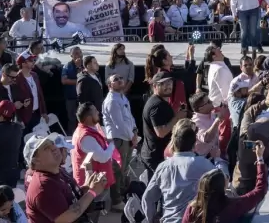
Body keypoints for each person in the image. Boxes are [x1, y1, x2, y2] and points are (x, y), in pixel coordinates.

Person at [142, 120, 226, 223]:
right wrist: (218, 159)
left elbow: (147, 199)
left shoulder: (163, 167)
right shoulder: (202, 164)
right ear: (194, 144)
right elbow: (224, 179)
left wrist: (151, 219)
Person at [24, 132, 108, 223]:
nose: (53, 148)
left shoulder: (59, 171)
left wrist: (89, 186)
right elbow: (65, 218)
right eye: (46, 148)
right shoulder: (43, 186)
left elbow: (72, 198)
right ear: (36, 161)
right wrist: (93, 192)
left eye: (52, 144)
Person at [183, 142, 268, 223]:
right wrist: (260, 158)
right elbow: (260, 190)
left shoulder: (192, 209)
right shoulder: (233, 205)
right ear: (223, 187)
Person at [71, 102, 115, 214]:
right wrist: (112, 144)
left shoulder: (89, 129)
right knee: (93, 214)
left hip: (96, 181)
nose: (98, 113)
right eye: (95, 111)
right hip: (91, 184)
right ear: (89, 118)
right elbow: (103, 157)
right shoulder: (86, 137)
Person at [140, 72, 187, 176]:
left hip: (155, 154)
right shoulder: (157, 105)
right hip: (156, 157)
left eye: (170, 82)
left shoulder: (159, 102)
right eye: (163, 83)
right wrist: (177, 117)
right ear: (155, 86)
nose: (168, 86)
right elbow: (160, 132)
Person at [101, 74, 137, 210]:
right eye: (115, 79)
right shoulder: (112, 101)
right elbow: (119, 124)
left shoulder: (122, 97)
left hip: (127, 138)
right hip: (118, 139)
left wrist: (134, 131)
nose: (120, 80)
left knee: (124, 169)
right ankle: (116, 201)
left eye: (120, 78)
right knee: (117, 170)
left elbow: (130, 117)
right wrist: (131, 136)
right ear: (109, 85)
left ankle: (122, 195)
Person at [14, 52, 46, 134]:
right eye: (30, 60)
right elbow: (15, 98)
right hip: (24, 116)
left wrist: (43, 111)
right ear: (23, 64)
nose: (33, 62)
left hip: (36, 114)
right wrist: (19, 119)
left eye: (33, 60)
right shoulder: (17, 78)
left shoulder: (34, 75)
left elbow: (40, 94)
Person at [61, 47, 83, 133]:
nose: (79, 55)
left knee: (84, 119)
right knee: (72, 119)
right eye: (76, 53)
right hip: (71, 97)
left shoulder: (86, 64)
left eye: (80, 52)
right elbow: (64, 81)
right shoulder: (67, 66)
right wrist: (79, 81)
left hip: (83, 97)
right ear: (71, 55)